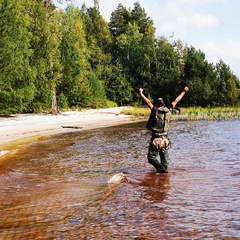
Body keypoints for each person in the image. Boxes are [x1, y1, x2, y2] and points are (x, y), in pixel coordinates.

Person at [139, 86, 189, 173]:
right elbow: (176, 101)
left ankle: (163, 172)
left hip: (156, 140)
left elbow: (148, 102)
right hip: (165, 140)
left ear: (157, 105)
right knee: (165, 160)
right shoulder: (169, 110)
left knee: (151, 158)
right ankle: (164, 176)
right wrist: (184, 92)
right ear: (164, 104)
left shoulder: (155, 110)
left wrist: (141, 93)